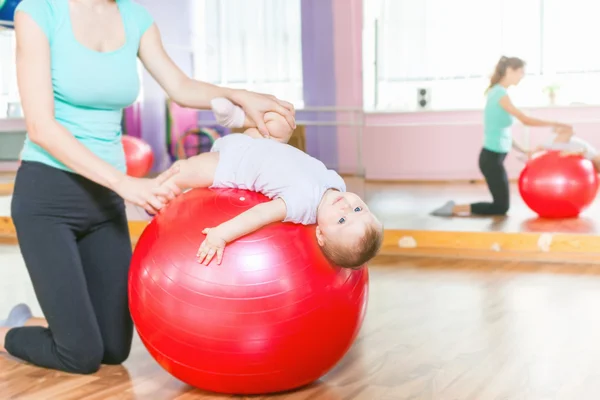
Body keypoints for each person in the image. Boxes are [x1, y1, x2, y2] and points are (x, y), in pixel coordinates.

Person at [0, 0, 295, 375]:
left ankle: (44, 322)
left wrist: (240, 95)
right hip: (48, 199)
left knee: (114, 348)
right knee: (80, 355)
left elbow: (181, 87)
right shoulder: (37, 12)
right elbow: (41, 127)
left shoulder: (135, 18)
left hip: (104, 204)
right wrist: (126, 184)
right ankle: (7, 331)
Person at [157, 98, 384, 269]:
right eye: (358, 208)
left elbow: (259, 215)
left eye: (342, 220)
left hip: (232, 164)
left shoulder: (302, 205)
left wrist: (222, 234)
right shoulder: (337, 184)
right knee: (281, 118)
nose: (346, 207)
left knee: (179, 172)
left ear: (321, 235)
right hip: (262, 141)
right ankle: (235, 119)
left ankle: (158, 206)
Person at [431, 56, 573, 217]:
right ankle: (453, 208)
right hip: (490, 159)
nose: (522, 76)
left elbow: (502, 131)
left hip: (494, 158)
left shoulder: (499, 92)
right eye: (521, 72)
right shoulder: (499, 94)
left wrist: (523, 149)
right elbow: (525, 119)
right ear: (509, 71)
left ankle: (454, 207)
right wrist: (557, 123)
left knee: (501, 205)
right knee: (500, 207)